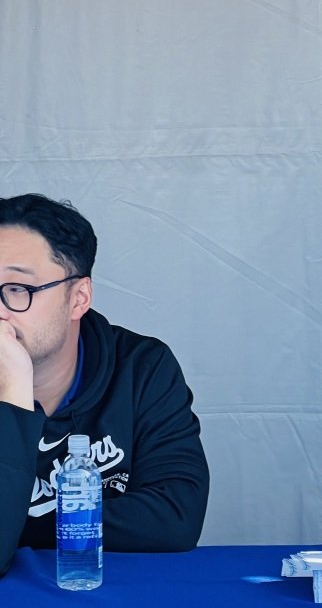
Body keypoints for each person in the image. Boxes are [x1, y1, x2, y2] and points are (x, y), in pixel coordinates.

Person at [0, 193, 210, 577]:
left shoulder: (141, 367)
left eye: (17, 288)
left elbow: (175, 517)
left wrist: (16, 523)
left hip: (108, 591)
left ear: (78, 298)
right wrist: (12, 396)